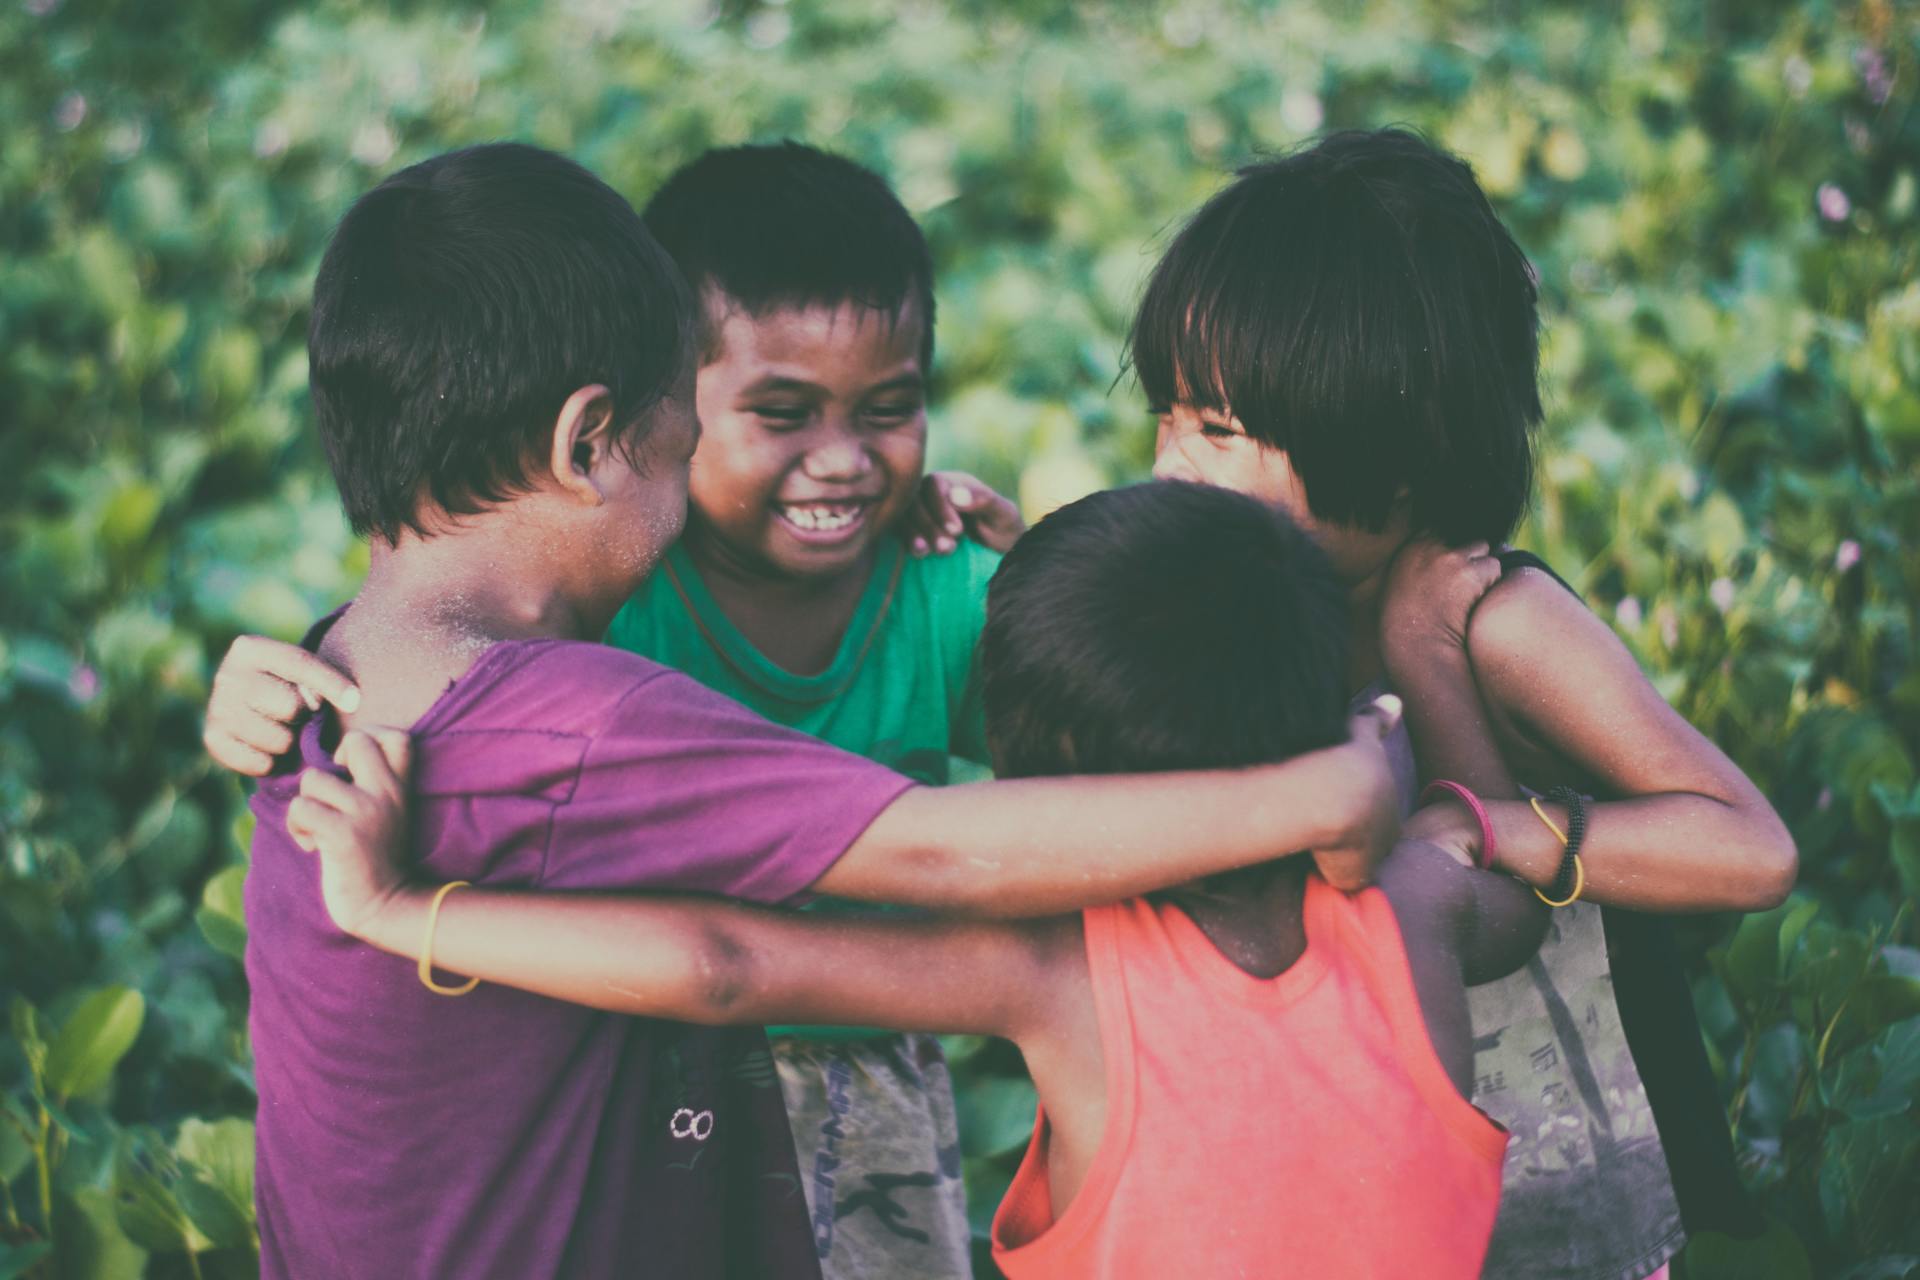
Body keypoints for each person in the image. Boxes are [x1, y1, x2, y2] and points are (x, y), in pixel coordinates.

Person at [239, 140, 1407, 1280]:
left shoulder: (327, 680)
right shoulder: (576, 721)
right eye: (680, 424)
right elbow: (933, 852)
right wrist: (1317, 791)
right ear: (589, 440)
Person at [286, 480, 1549, 1280]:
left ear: (1040, 775)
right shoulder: (1420, 903)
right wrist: (1409, 690)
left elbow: (725, 964)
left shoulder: (1058, 971)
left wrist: (403, 910)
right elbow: (1496, 860)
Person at [209, 139, 1021, 1279]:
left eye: (887, 410)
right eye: (775, 414)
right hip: (679, 1057)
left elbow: (1087, 726)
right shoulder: (603, 616)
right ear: (605, 435)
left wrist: (1050, 574)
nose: (840, 462)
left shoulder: (941, 585)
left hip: (851, 1055)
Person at [1127, 128, 1798, 1278]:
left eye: (1219, 430)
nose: (1170, 463)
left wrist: (1495, 812)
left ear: (1394, 471)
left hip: (1587, 1166)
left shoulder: (1503, 622)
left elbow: (1749, 852)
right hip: (1374, 1168)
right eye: (1172, 414)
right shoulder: (1240, 603)